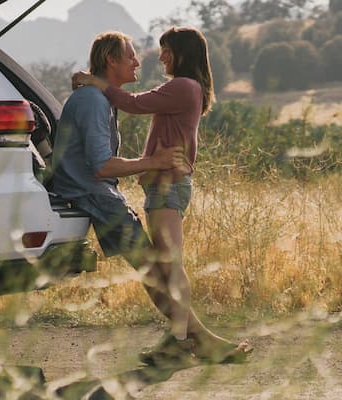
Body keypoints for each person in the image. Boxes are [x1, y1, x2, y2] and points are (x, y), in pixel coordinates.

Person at [72, 27, 249, 365]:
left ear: (182, 53)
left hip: (167, 184)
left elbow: (134, 103)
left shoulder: (183, 86)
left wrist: (96, 83)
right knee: (168, 263)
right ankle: (184, 339)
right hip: (164, 185)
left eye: (166, 50)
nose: (160, 56)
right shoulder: (187, 88)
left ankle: (179, 341)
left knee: (170, 264)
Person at [52, 31, 200, 364]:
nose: (140, 61)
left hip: (100, 193)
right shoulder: (92, 100)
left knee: (159, 269)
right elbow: (103, 166)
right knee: (158, 270)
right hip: (96, 195)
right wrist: (155, 161)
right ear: (111, 60)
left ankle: (191, 339)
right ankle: (192, 340)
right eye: (131, 56)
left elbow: (132, 104)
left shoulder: (99, 97)